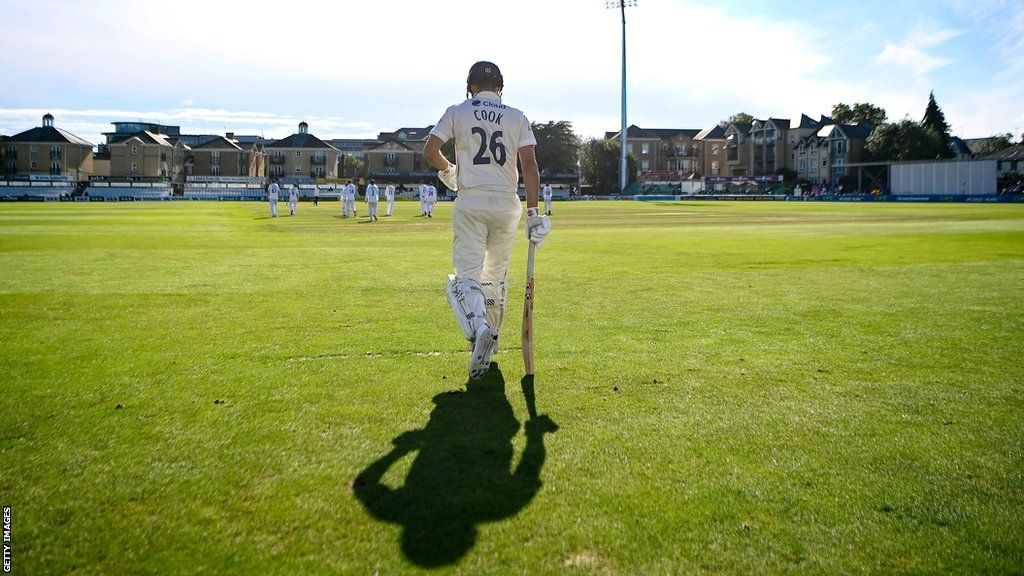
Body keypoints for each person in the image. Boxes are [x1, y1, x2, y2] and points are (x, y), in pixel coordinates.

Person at [423, 61, 550, 380]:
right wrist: (534, 213)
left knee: (464, 278)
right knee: (494, 279)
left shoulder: (458, 110)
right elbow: (531, 168)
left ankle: (479, 329)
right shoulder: (517, 116)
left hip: (472, 199)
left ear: (471, 87)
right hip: (507, 204)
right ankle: (488, 346)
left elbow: (430, 150)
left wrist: (449, 171)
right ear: (501, 88)